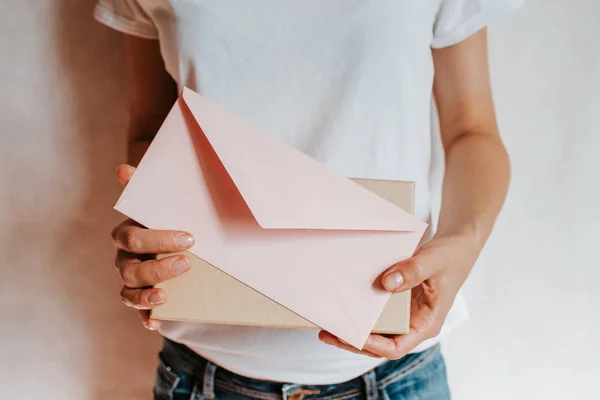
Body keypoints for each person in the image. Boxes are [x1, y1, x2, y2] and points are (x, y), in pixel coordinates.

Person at [97, 1, 521, 398]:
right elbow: (152, 130)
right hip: (202, 373)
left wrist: (463, 243)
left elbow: (472, 130)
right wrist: (150, 220)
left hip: (397, 373)